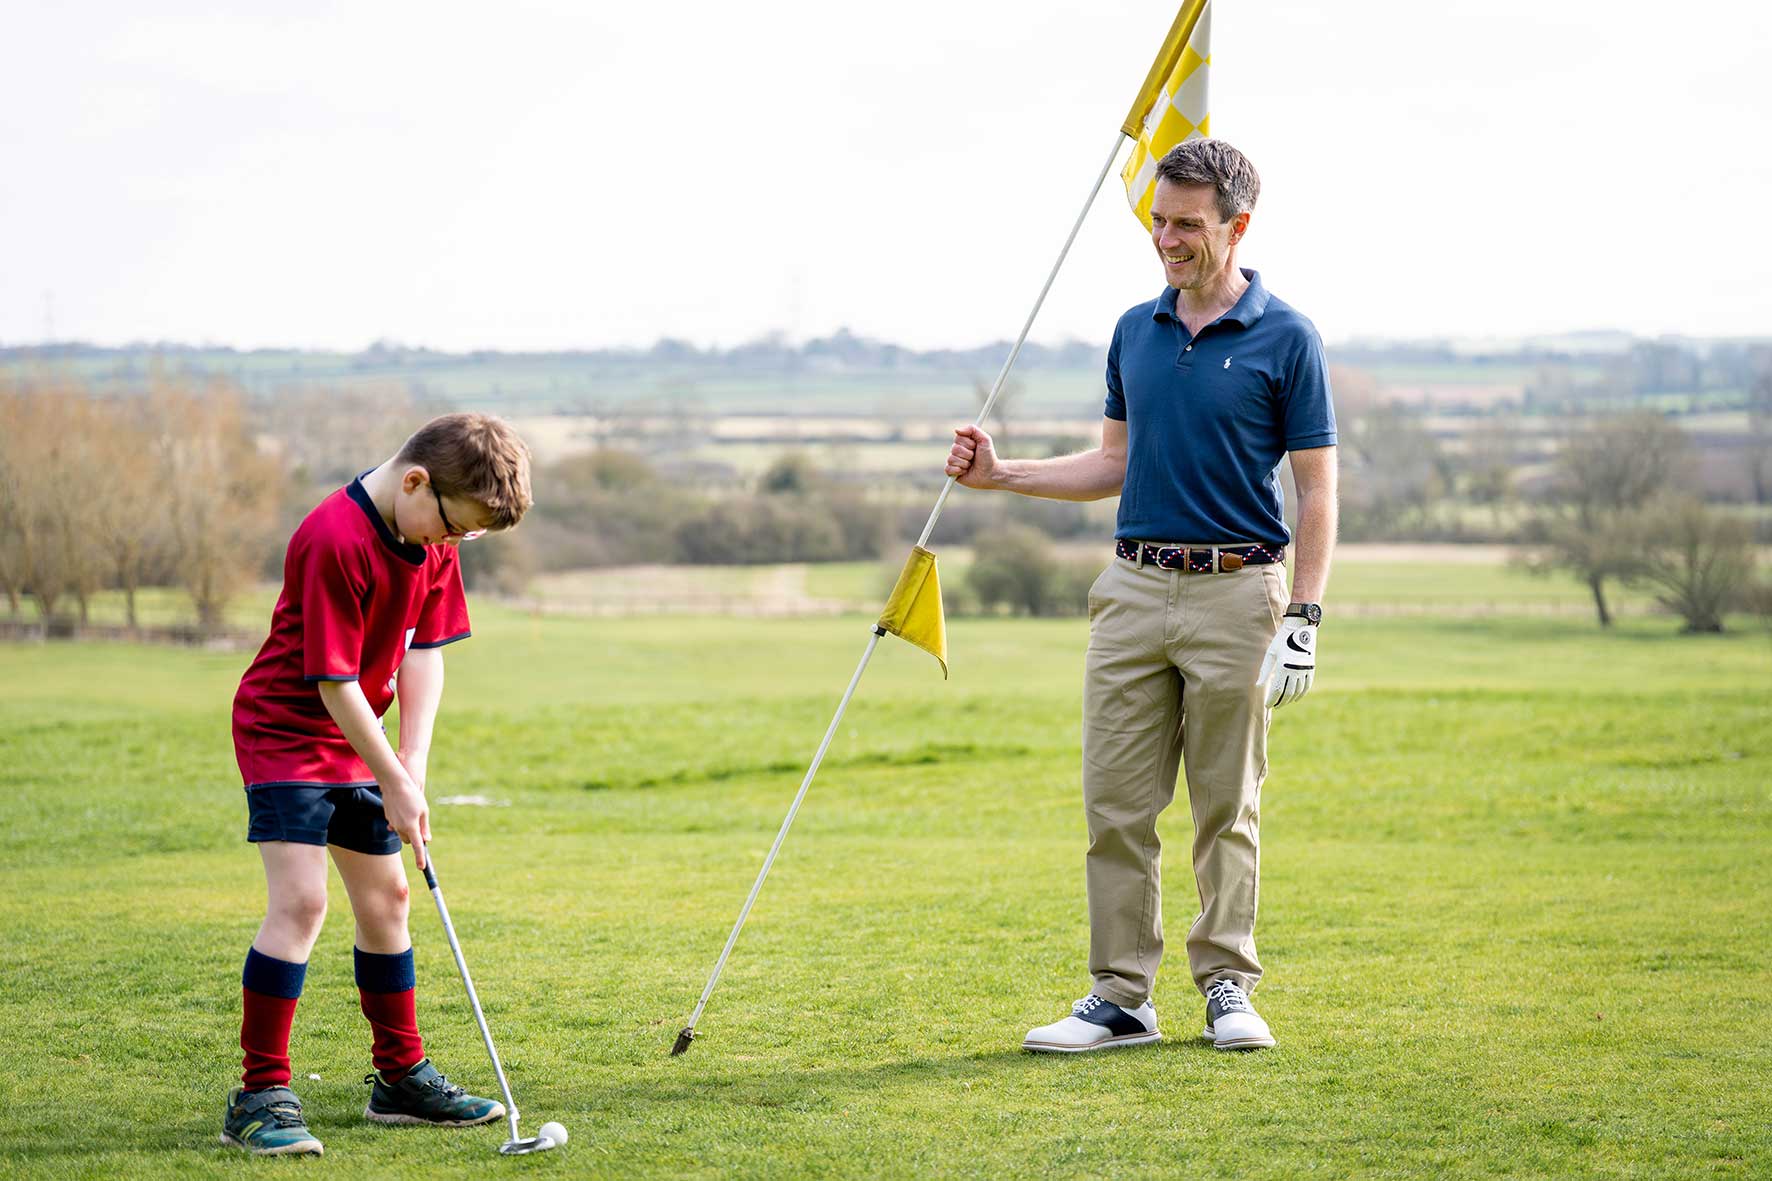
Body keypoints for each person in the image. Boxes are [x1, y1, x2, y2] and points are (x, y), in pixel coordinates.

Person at [946, 139, 1337, 1053]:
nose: (1167, 237)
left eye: (1187, 224)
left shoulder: (1288, 337)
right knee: (1114, 805)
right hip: (1129, 588)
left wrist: (1303, 616)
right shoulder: (1134, 331)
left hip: (1239, 593)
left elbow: (1317, 489)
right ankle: (1121, 997)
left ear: (1237, 226)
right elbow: (1112, 464)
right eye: (1158, 220)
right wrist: (1004, 476)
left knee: (1223, 806)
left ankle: (1228, 985)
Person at [223, 412, 533, 1154]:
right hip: (288, 729)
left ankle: (399, 1078)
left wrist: (413, 764)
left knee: (390, 898)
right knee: (302, 902)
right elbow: (332, 680)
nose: (450, 546)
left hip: (362, 737)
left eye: (464, 538)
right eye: (451, 529)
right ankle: (259, 1093)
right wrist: (391, 775)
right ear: (417, 481)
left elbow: (426, 651)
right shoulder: (335, 537)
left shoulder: (435, 532)